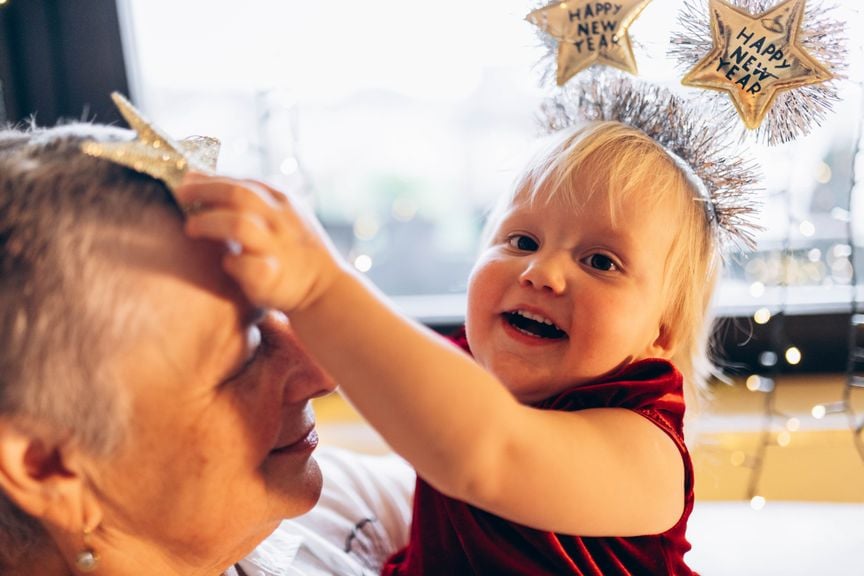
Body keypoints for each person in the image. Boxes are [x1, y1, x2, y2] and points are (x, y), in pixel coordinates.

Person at [175, 83, 758, 575]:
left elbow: (486, 452)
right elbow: (402, 386)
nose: (541, 272)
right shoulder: (464, 372)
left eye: (601, 261)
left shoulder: (646, 450)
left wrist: (319, 289)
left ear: (661, 331)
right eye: (521, 241)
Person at [0, 122, 414, 575]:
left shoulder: (334, 509)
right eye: (248, 348)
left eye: (276, 309)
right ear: (47, 466)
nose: (324, 373)